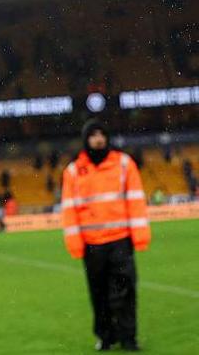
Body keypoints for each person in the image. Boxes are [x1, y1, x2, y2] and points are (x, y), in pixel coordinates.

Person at [61, 120, 150, 352]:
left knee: (126, 291)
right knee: (98, 295)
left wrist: (139, 236)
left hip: (120, 241)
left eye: (102, 134)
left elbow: (136, 201)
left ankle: (129, 338)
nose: (98, 139)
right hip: (92, 246)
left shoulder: (124, 163)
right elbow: (69, 210)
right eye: (93, 135)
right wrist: (74, 243)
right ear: (86, 139)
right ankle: (106, 337)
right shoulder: (73, 171)